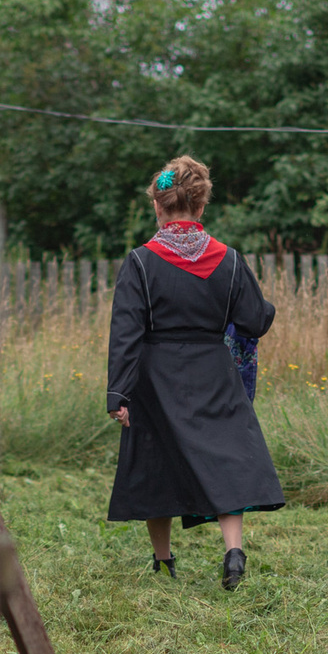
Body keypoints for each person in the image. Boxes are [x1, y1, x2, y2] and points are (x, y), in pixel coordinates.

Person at [105, 156, 282, 589]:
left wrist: (119, 393)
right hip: (214, 373)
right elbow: (255, 320)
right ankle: (233, 551)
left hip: (155, 377)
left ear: (157, 207)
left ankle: (163, 562)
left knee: (155, 460)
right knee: (227, 455)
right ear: (201, 207)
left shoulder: (141, 262)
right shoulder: (231, 260)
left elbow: (125, 333)